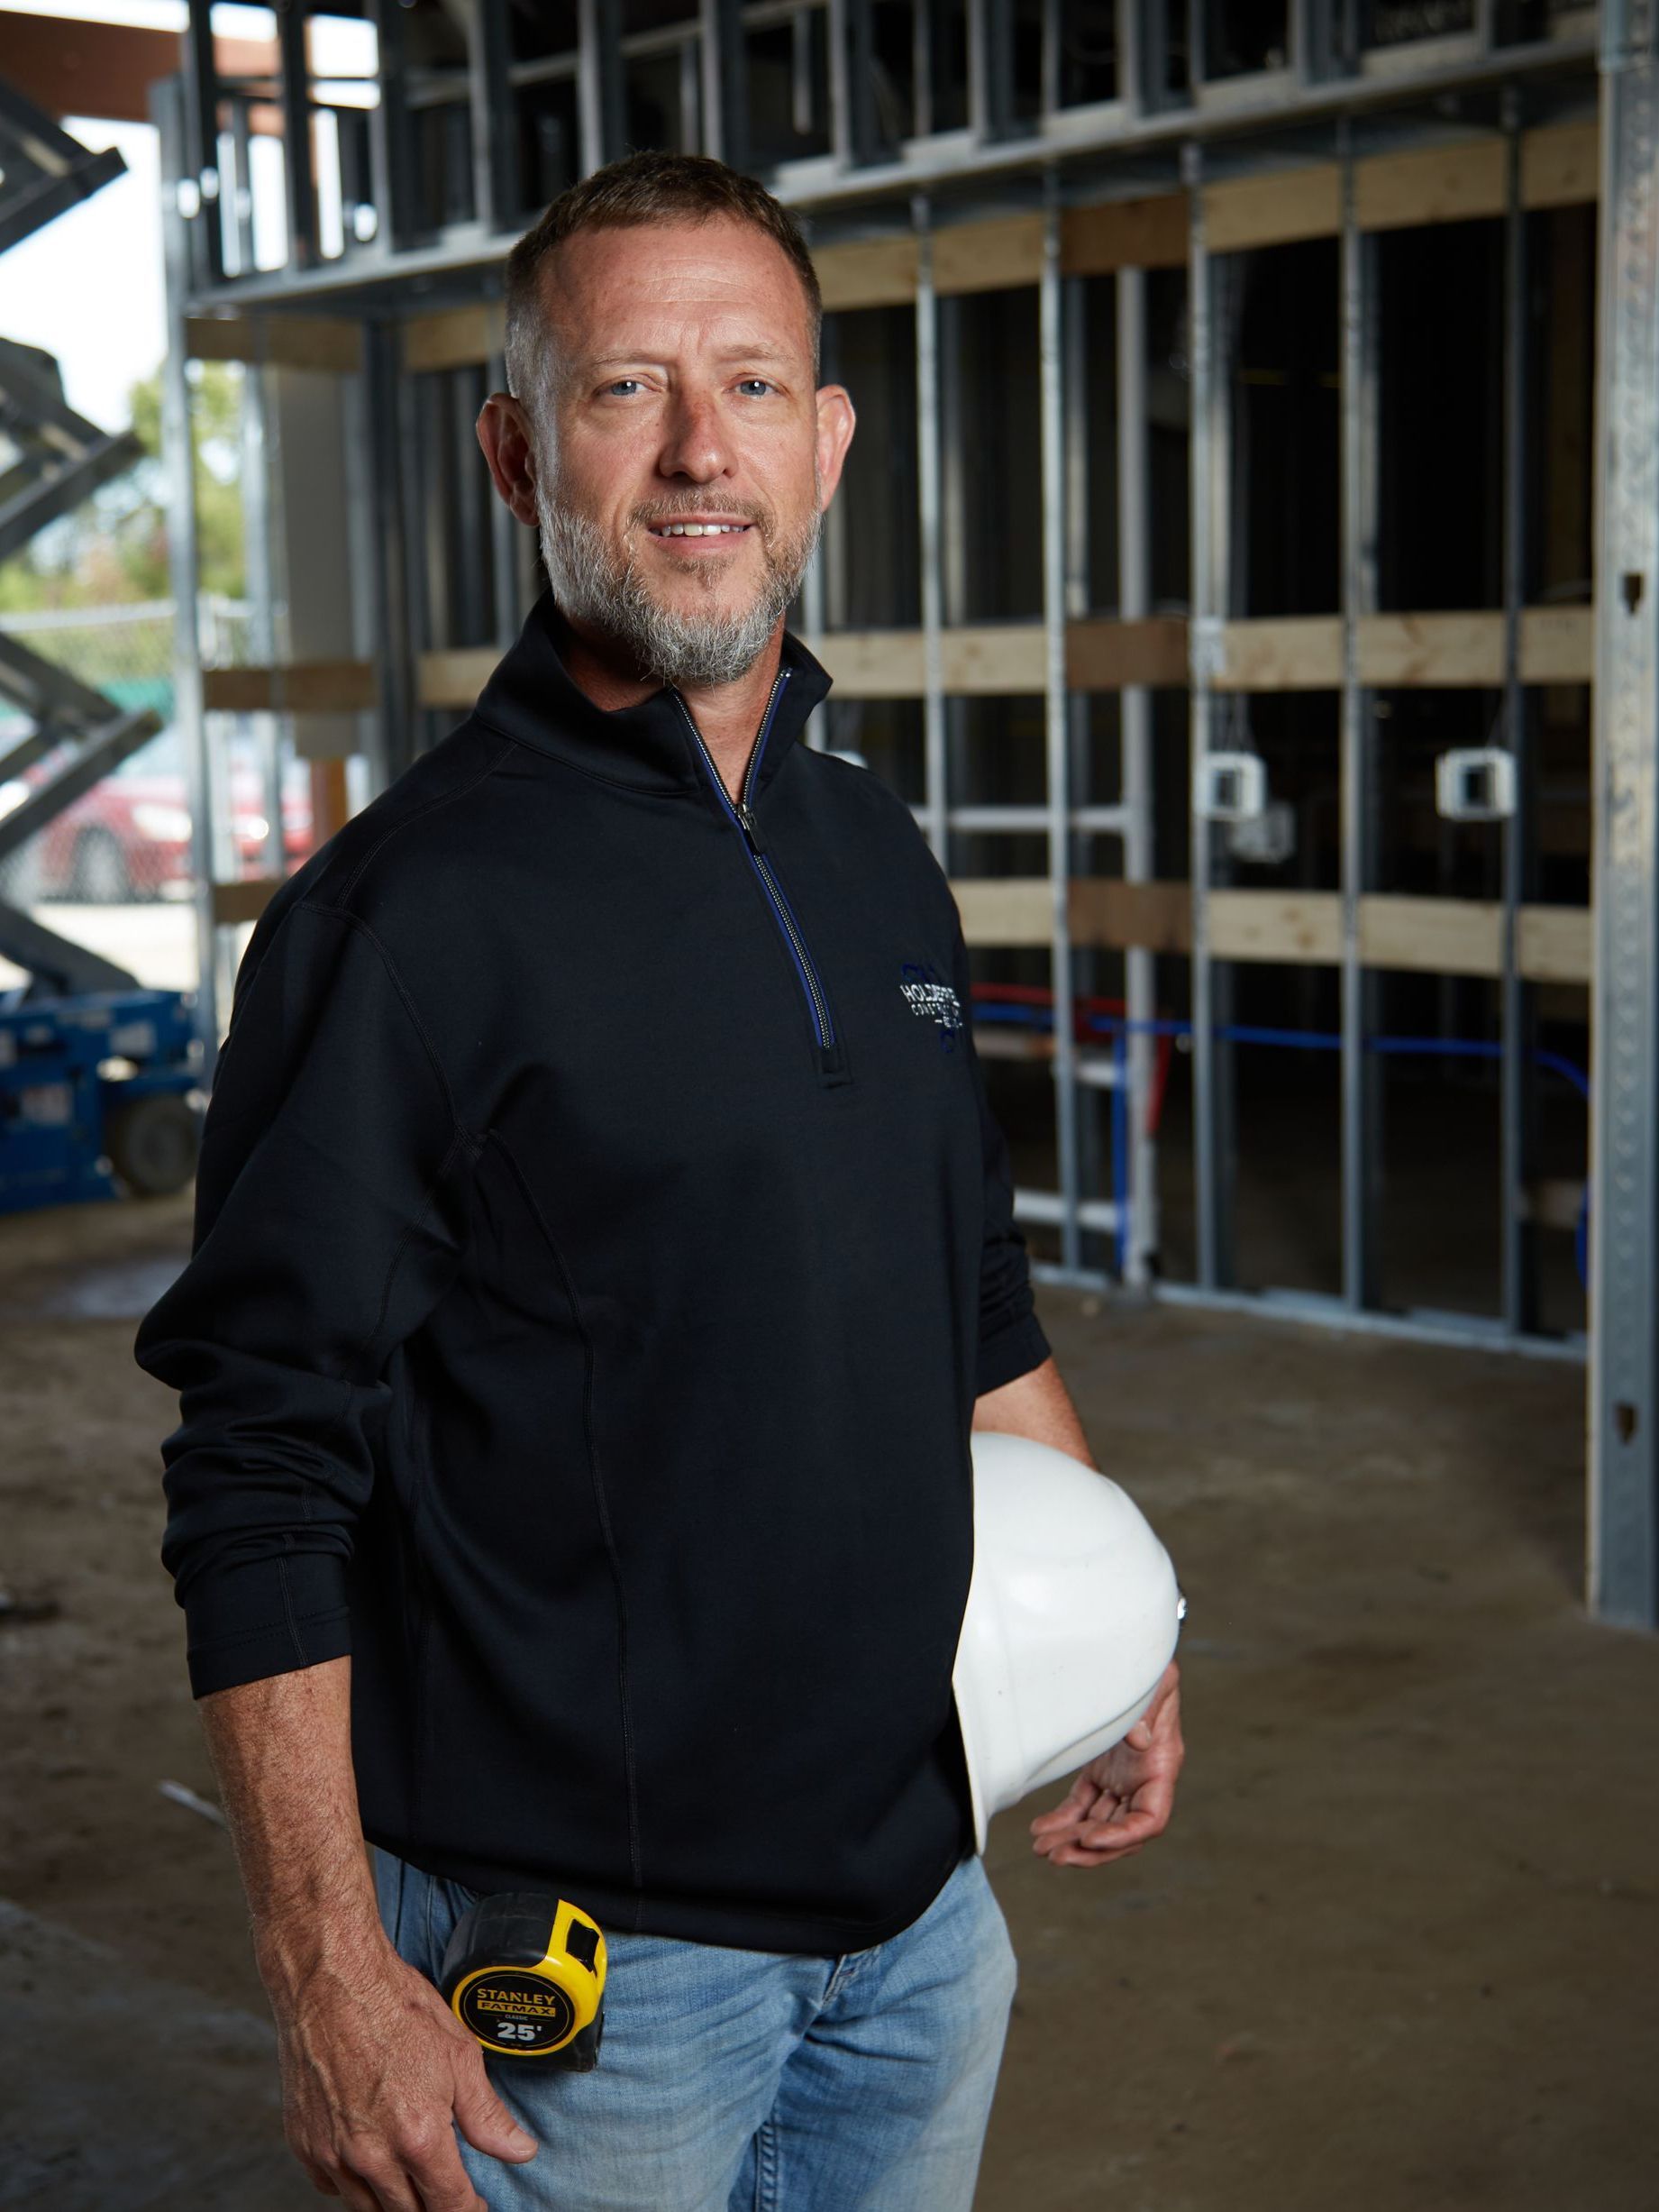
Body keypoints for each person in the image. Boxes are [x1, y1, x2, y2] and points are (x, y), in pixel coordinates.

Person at [135, 151, 1184, 2212]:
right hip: (594, 1992)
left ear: (830, 443)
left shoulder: (873, 853)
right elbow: (261, 1465)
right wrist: (329, 1973)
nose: (705, 452)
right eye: (630, 391)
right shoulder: (404, 925)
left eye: (757, 388)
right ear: (518, 451)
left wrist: (1120, 1635)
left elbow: (965, 1307)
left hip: (922, 1920)